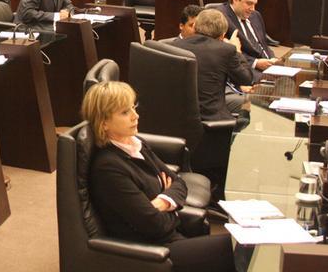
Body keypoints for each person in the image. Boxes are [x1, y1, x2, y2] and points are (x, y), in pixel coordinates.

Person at [83, 81, 236, 272]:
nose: (135, 116)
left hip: (172, 237)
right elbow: (154, 225)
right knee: (238, 248)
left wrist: (162, 202)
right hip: (153, 252)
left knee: (244, 244)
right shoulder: (108, 168)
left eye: (133, 108)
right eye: (124, 112)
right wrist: (170, 204)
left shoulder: (135, 143)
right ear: (104, 122)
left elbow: (179, 182)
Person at [171, 9, 253, 121]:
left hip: (176, 116)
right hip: (211, 119)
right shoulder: (226, 50)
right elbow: (246, 79)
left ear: (195, 27)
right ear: (222, 36)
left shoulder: (175, 45)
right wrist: (238, 51)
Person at [217, 0, 278, 81]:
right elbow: (227, 53)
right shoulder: (221, 17)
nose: (253, 9)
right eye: (249, 3)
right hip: (246, 70)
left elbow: (263, 44)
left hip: (268, 67)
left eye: (254, 4)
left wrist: (272, 59)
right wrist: (255, 63)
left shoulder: (256, 15)